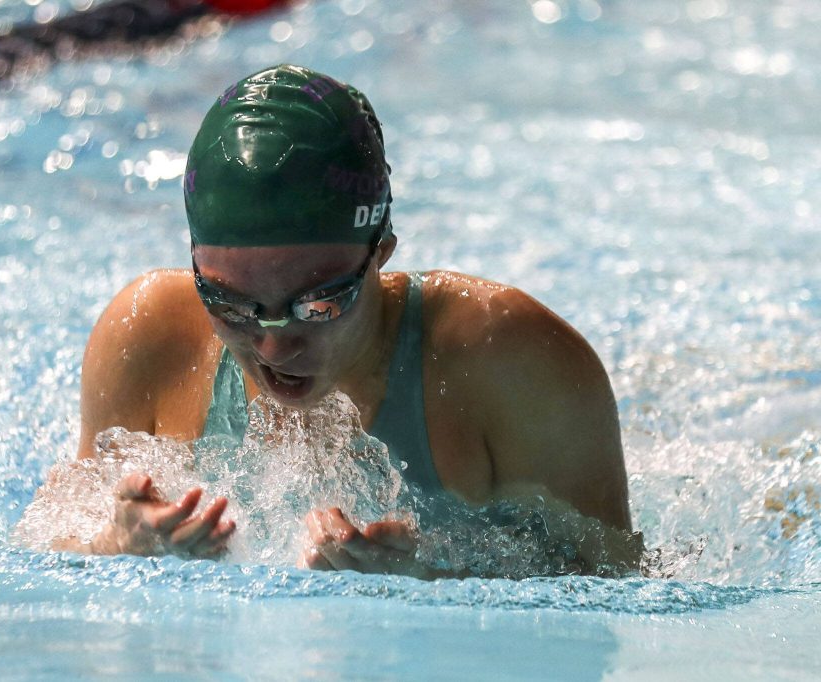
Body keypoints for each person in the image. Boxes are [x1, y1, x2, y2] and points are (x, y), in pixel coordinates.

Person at [53, 64, 639, 577]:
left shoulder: (514, 360)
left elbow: (619, 582)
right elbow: (48, 539)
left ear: (381, 250)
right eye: (232, 307)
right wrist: (115, 543)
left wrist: (443, 574)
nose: (274, 349)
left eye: (318, 304)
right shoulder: (148, 335)